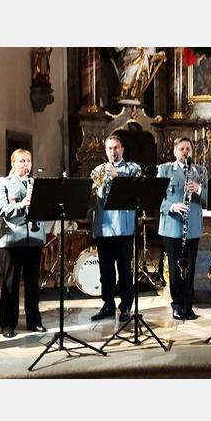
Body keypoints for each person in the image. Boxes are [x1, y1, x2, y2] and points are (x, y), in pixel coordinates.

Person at [0, 149, 46, 338]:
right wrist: (22, 204)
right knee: (11, 284)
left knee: (33, 283)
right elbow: (1, 208)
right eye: (22, 161)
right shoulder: (3, 183)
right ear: (13, 163)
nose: (26, 164)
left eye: (29, 161)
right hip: (12, 241)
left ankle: (34, 321)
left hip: (34, 239)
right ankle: (8, 324)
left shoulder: (36, 183)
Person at [90, 135, 142, 322]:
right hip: (104, 227)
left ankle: (126, 305)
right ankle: (108, 305)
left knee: (125, 270)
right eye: (110, 148)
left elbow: (136, 188)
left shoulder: (132, 168)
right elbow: (94, 199)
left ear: (122, 149)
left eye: (116, 148)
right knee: (106, 271)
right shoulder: (97, 170)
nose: (113, 151)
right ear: (106, 150)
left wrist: (117, 176)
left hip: (123, 228)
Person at [157, 137, 208, 320]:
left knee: (190, 267)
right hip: (172, 226)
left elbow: (209, 199)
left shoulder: (200, 171)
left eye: (188, 148)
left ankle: (188, 304)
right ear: (175, 151)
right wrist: (172, 206)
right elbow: (156, 198)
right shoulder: (165, 170)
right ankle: (176, 304)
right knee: (174, 267)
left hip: (192, 227)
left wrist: (199, 189)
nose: (185, 151)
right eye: (181, 148)